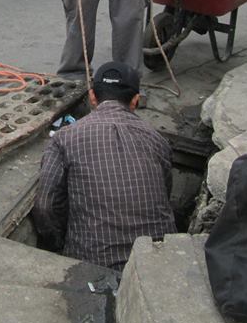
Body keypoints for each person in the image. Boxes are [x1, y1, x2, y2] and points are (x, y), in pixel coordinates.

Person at [32, 61, 177, 271]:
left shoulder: (64, 138)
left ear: (92, 97)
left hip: (93, 265)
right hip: (158, 265)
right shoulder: (158, 140)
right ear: (135, 100)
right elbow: (165, 195)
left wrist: (56, 244)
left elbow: (45, 205)